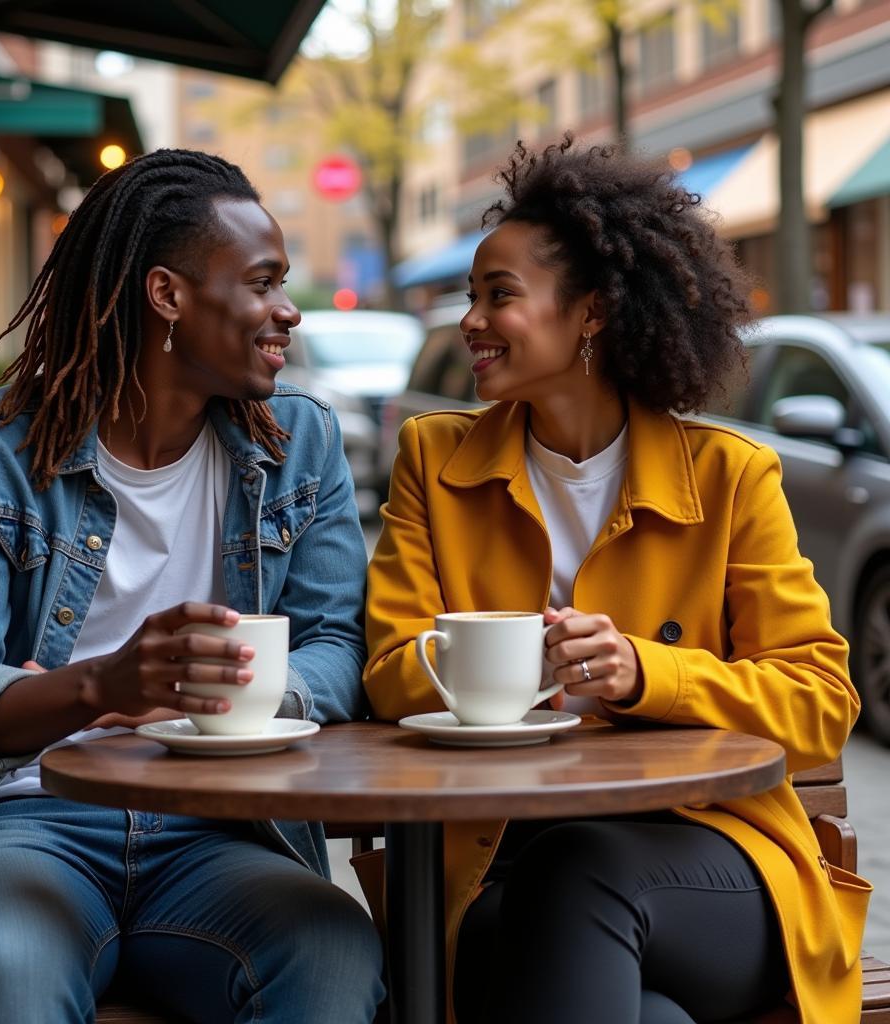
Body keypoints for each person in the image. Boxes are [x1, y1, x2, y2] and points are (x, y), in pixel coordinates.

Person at [0, 149, 384, 1023]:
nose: (287, 311)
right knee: (20, 984)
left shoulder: (301, 442)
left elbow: (339, 645)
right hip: (32, 824)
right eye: (263, 283)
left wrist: (245, 696)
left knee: (333, 953)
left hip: (222, 829)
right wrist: (101, 688)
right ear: (168, 295)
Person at [364, 134, 869, 1024]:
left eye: (499, 296)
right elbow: (392, 670)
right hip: (500, 867)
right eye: (471, 296)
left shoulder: (728, 477)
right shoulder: (434, 461)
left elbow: (820, 701)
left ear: (591, 312)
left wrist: (647, 673)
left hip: (711, 856)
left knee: (584, 873)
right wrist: (520, 667)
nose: (470, 321)